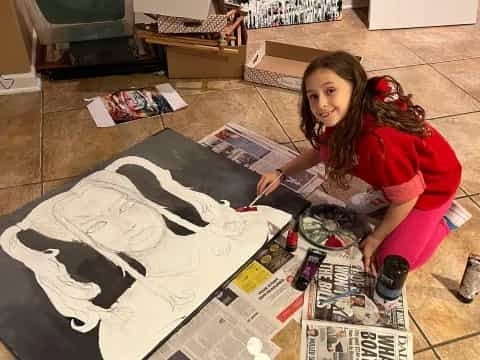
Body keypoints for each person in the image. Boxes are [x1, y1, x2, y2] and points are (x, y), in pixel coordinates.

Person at [0, 156, 289, 360]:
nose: (125, 225)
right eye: (97, 226)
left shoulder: (245, 228)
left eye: (124, 207)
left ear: (143, 199)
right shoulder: (124, 325)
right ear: (85, 242)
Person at [257, 51, 462, 275]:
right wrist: (281, 172)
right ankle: (388, 189)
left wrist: (376, 238)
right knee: (384, 200)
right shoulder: (344, 116)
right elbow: (319, 153)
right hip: (403, 178)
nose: (321, 104)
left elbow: (406, 199)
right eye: (313, 96)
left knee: (388, 265)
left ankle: (445, 222)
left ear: (355, 89)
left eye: (330, 91)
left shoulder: (380, 141)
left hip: (434, 187)